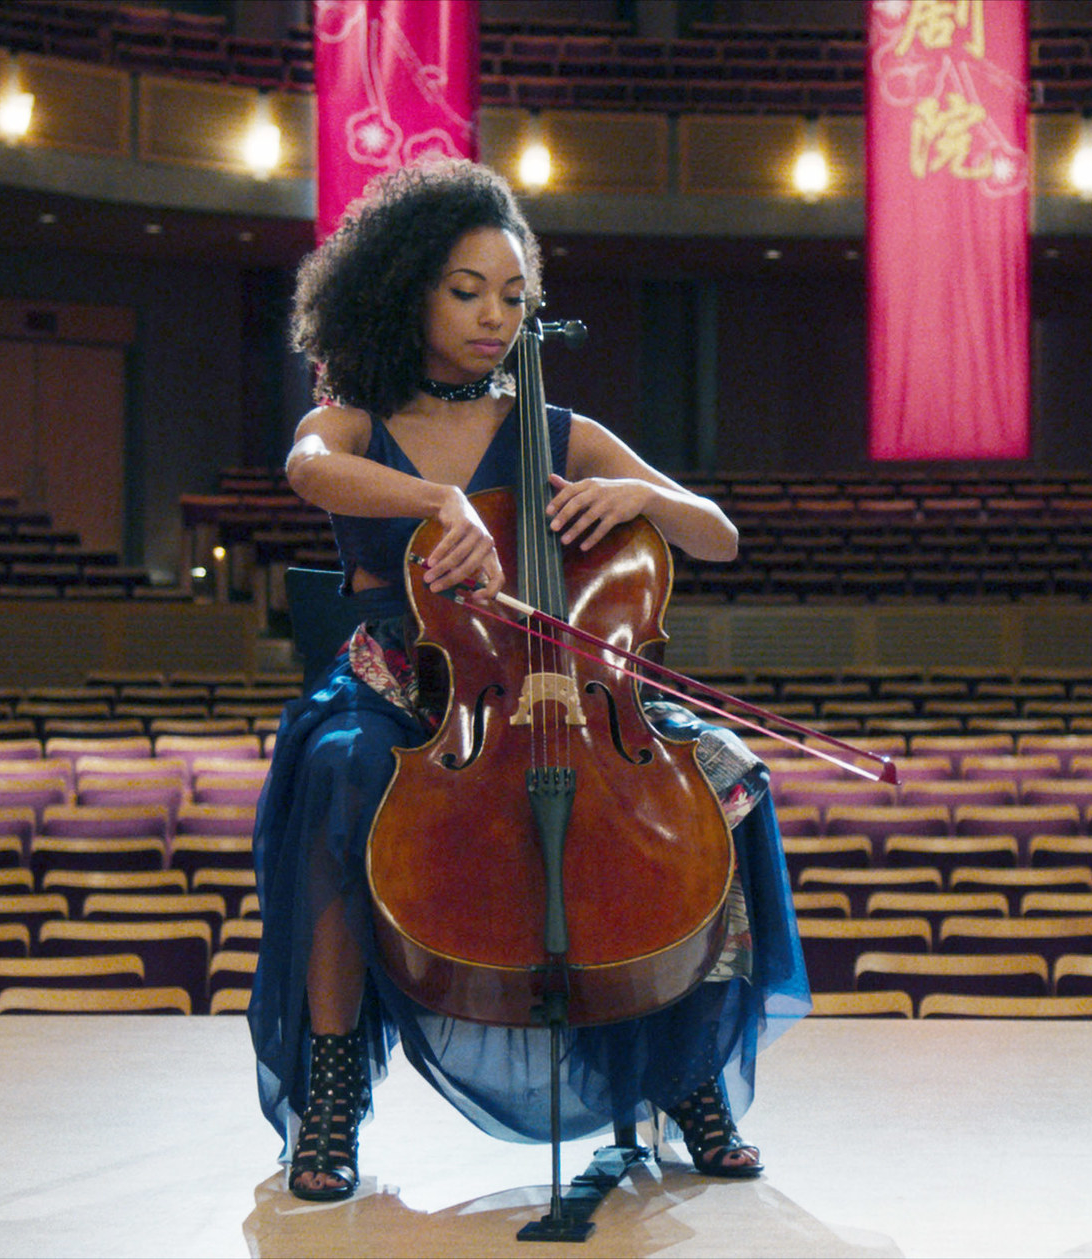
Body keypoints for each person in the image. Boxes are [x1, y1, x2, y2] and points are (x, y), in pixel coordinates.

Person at [251, 158, 806, 1202]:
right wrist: (440, 503)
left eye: (514, 296)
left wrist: (633, 489)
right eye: (467, 291)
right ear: (404, 286)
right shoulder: (356, 417)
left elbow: (718, 536)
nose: (494, 316)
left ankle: (685, 1076)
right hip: (401, 678)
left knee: (723, 775)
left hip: (557, 679)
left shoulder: (555, 429)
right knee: (338, 774)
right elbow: (306, 468)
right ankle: (330, 1096)